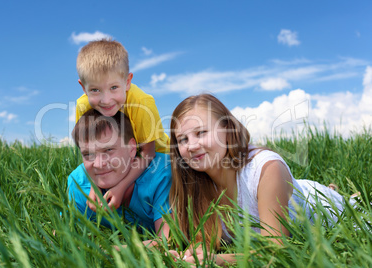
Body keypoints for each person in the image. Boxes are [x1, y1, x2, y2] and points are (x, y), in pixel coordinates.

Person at [169, 93, 346, 265]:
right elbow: (208, 236)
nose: (191, 146)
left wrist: (216, 261)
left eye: (201, 132)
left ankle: (336, 194)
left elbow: (275, 252)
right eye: (183, 139)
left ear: (228, 129)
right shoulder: (194, 183)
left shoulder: (266, 169)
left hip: (329, 209)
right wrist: (198, 248)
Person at [75, 38, 169, 211]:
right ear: (83, 87)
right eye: (95, 90)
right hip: (118, 158)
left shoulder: (142, 103)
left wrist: (121, 186)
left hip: (155, 157)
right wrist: (94, 186)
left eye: (113, 88)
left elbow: (148, 153)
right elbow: (88, 148)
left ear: (127, 81)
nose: (106, 100)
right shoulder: (83, 105)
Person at [67, 109, 171, 236]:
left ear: (132, 148)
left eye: (109, 150)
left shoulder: (163, 174)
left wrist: (107, 252)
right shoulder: (78, 184)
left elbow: (168, 243)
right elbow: (63, 237)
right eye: (88, 154)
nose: (99, 164)